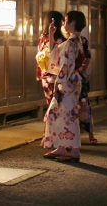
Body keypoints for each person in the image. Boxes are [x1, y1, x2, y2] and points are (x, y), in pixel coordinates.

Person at [42, 10, 87, 162]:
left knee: (67, 115)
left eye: (67, 19)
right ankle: (61, 146)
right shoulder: (73, 41)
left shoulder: (72, 42)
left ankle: (74, 151)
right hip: (69, 81)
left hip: (67, 82)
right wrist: (51, 34)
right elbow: (54, 53)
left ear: (74, 22)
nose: (64, 22)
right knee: (58, 114)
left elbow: (65, 65)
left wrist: (58, 85)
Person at [36, 11, 66, 106]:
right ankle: (54, 119)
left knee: (51, 102)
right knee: (59, 102)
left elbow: (41, 55)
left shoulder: (43, 38)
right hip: (59, 72)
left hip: (46, 73)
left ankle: (51, 119)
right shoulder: (63, 39)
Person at [76, 35, 97, 144]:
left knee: (81, 107)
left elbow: (83, 71)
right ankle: (90, 135)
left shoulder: (84, 56)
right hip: (81, 83)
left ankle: (88, 134)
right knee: (84, 107)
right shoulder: (85, 55)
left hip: (78, 83)